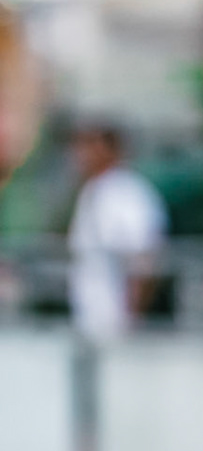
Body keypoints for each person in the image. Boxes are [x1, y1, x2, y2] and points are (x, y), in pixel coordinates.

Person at [66, 123, 166, 343]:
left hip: (117, 324)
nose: (81, 154)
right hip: (89, 318)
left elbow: (144, 259)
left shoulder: (127, 192)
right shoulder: (92, 189)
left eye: (90, 145)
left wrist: (132, 317)